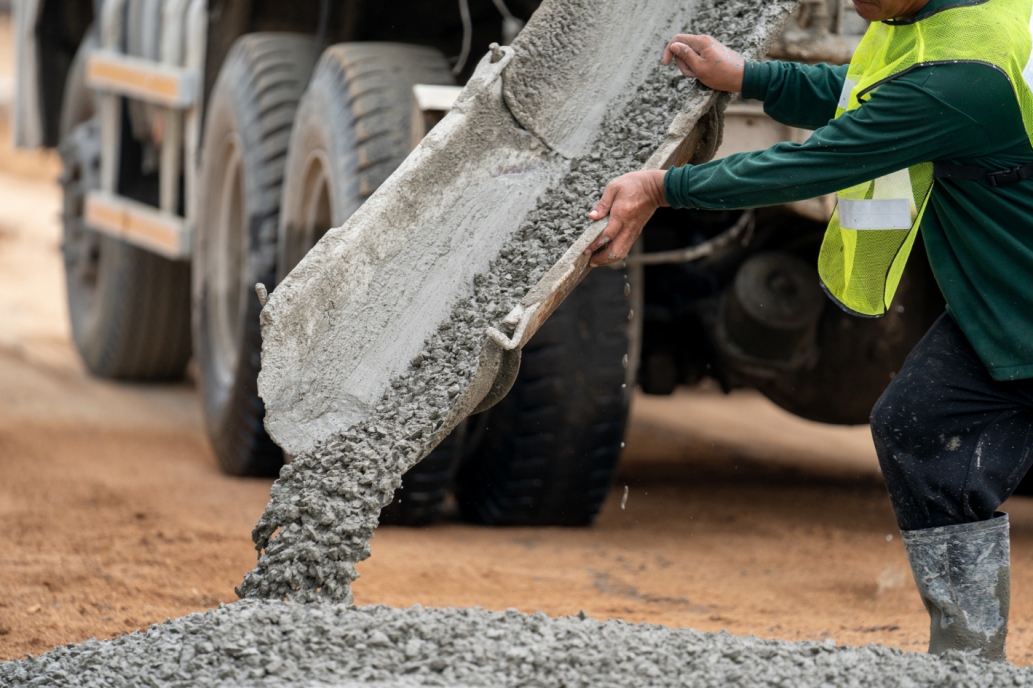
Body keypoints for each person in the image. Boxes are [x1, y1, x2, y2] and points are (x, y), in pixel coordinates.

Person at [585, 0, 1033, 662]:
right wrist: (752, 78)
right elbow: (866, 92)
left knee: (926, 422)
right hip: (1009, 299)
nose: (851, 2)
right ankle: (967, 663)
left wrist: (664, 187)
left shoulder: (960, 78)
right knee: (918, 423)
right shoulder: (975, 20)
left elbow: (818, 160)